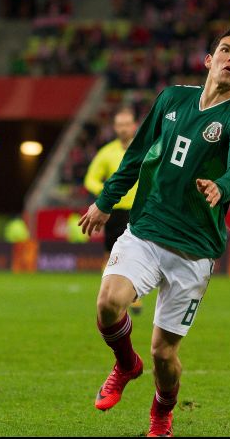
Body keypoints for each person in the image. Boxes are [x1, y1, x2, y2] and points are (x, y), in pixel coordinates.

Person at [79, 25, 230, 437]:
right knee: (108, 303)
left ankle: (162, 412)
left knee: (164, 354)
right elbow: (137, 153)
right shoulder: (171, 98)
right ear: (209, 60)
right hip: (146, 230)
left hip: (194, 250)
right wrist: (105, 203)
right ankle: (125, 364)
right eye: (226, 50)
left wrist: (223, 186)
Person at [84, 107, 144, 315]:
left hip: (140, 209)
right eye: (119, 125)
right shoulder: (107, 153)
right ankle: (108, 292)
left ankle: (134, 298)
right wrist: (106, 193)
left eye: (127, 124)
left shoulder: (146, 149)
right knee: (111, 255)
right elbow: (90, 178)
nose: (123, 129)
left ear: (135, 125)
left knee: (139, 255)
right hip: (115, 212)